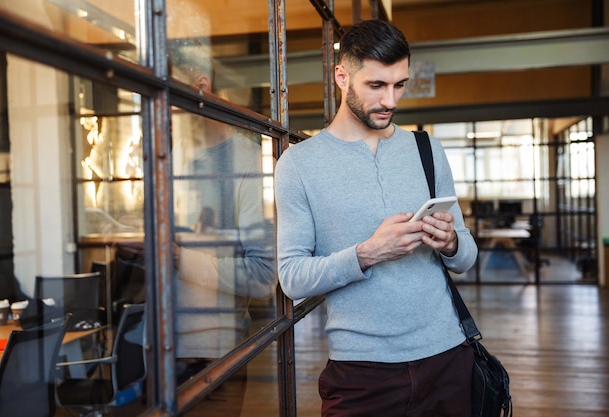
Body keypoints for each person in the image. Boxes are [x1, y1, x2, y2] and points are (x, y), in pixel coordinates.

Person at [274, 19, 478, 417]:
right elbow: (292, 277)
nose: (391, 100)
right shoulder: (298, 164)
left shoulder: (426, 149)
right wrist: (368, 253)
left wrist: (451, 242)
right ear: (342, 77)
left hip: (448, 357)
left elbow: (467, 258)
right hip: (360, 373)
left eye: (399, 84)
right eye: (376, 86)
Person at [170, 65, 277, 416]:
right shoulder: (166, 153)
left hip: (211, 356)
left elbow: (262, 275)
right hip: (154, 350)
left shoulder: (245, 160)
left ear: (202, 87)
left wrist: (178, 257)